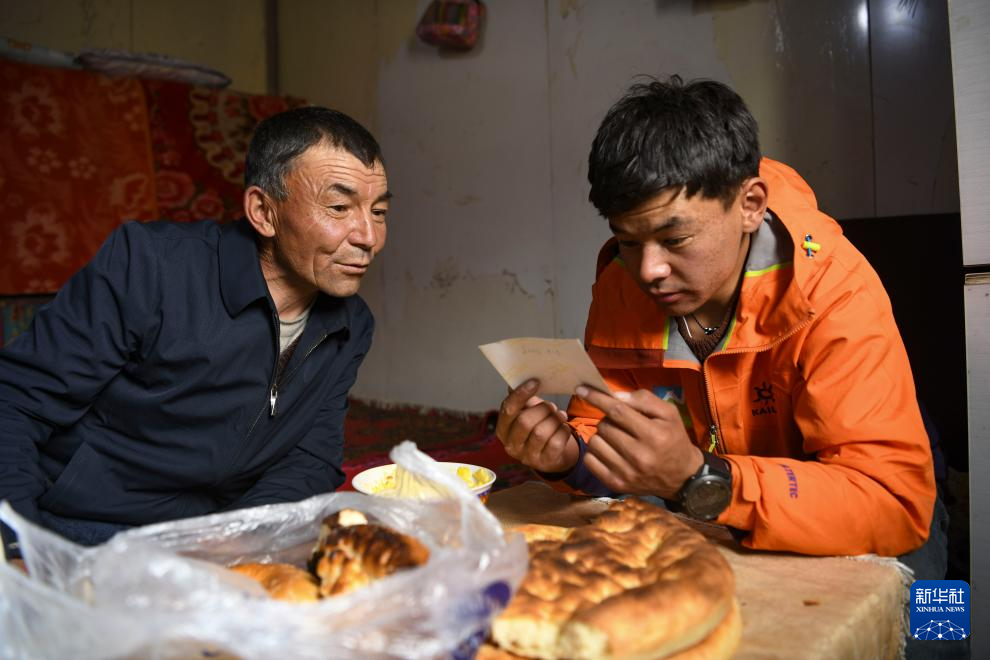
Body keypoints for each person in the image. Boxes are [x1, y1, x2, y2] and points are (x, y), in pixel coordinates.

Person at [495, 76, 944, 565]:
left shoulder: (834, 291)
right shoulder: (621, 286)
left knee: (920, 608)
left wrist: (700, 478)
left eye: (675, 239)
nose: (649, 271)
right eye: (628, 240)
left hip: (852, 503)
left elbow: (891, 502)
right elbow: (604, 433)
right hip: (710, 502)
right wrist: (567, 456)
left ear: (750, 205)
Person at [0, 106, 390, 563]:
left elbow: (309, 458)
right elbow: (16, 402)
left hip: (213, 532)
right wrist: (18, 544)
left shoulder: (349, 324)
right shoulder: (149, 266)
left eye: (379, 211)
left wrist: (237, 546)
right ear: (263, 212)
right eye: (340, 208)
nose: (369, 237)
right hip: (91, 521)